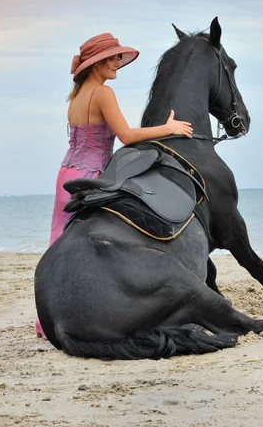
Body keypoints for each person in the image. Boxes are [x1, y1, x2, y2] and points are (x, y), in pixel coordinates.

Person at [36, 32, 193, 337]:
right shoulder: (102, 93)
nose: (118, 64)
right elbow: (127, 136)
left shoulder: (77, 96)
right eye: (112, 58)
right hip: (93, 176)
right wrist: (169, 128)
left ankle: (47, 321)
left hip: (66, 174)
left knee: (60, 243)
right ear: (95, 63)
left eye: (118, 58)